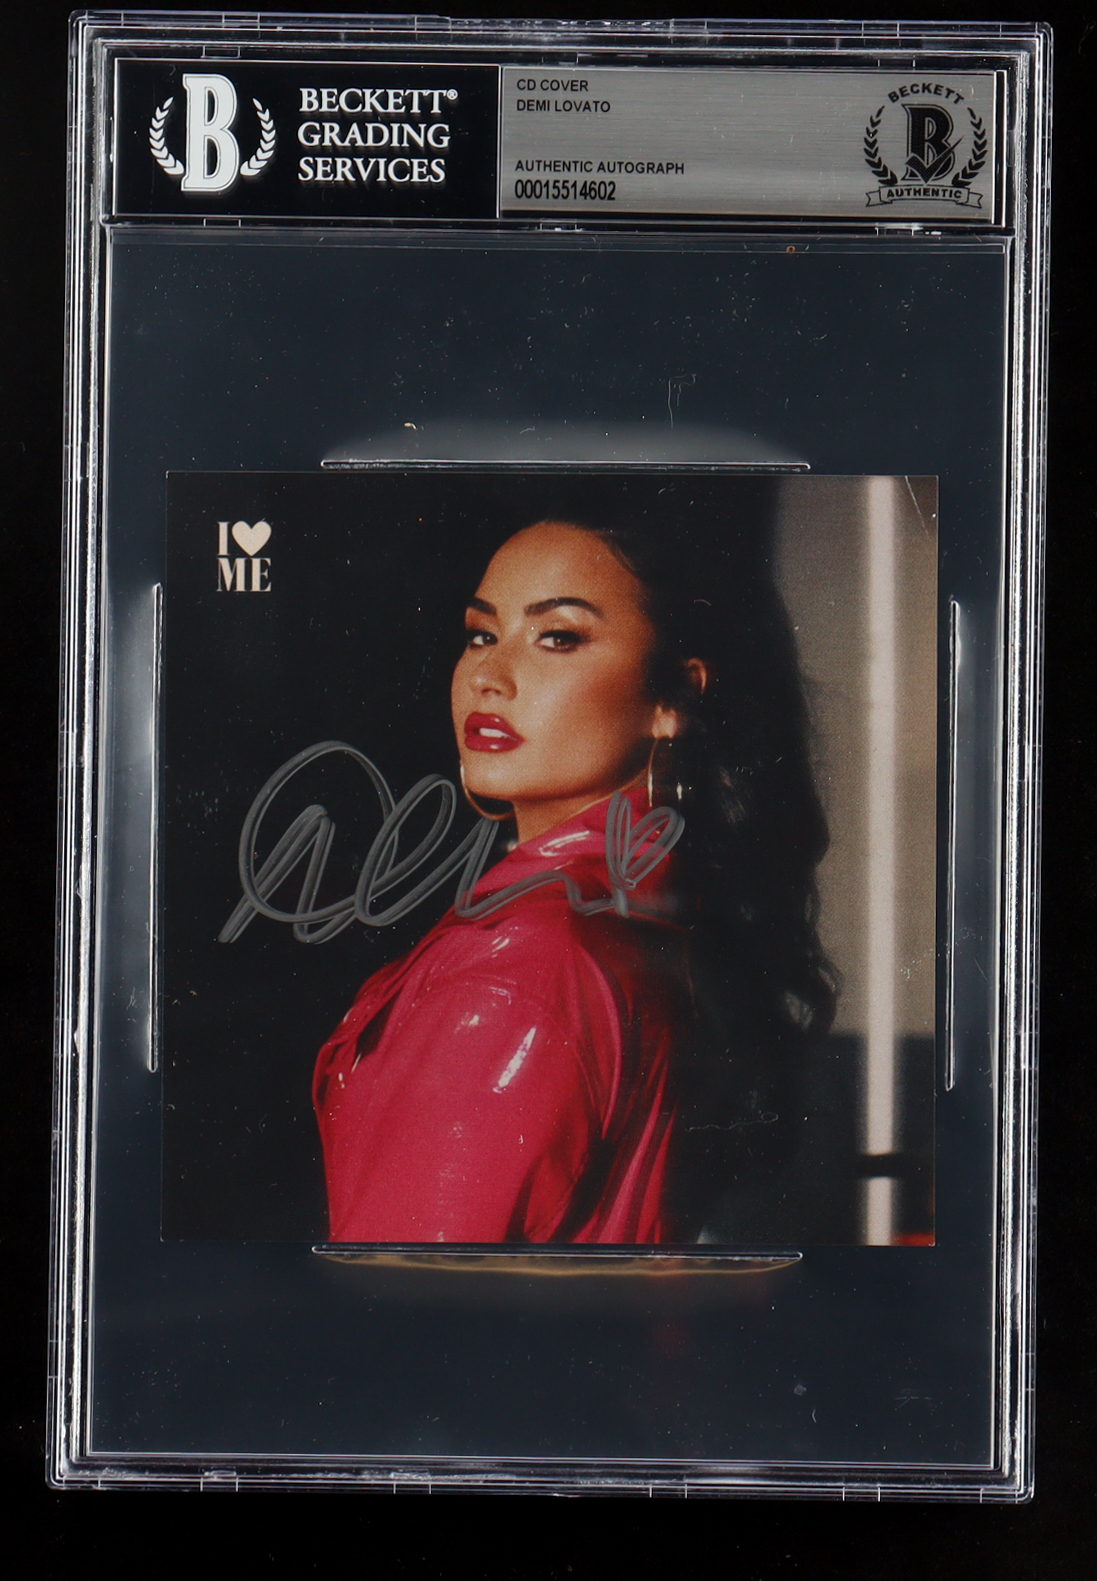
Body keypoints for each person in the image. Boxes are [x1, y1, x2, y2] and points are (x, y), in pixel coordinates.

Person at [313, 504, 835, 1244]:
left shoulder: (517, 968)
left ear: (673, 698)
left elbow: (408, 1301)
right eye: (481, 634)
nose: (489, 675)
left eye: (557, 637)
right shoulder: (655, 917)